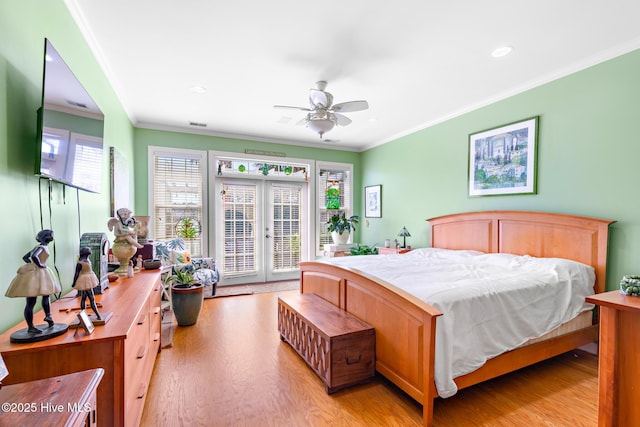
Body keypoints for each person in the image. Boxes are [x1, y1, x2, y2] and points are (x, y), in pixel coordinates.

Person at [5, 229, 61, 334]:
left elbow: (25, 257)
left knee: (45, 295)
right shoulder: (42, 247)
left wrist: (32, 264)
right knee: (34, 300)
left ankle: (48, 317)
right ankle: (33, 325)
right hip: (39, 273)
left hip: (38, 273)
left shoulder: (39, 247)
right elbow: (34, 256)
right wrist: (40, 265)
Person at [72, 247, 101, 320]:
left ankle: (84, 314)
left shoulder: (87, 259)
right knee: (91, 298)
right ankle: (97, 315)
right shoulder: (81, 262)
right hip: (85, 280)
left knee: (84, 297)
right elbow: (77, 273)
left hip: (88, 278)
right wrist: (74, 282)